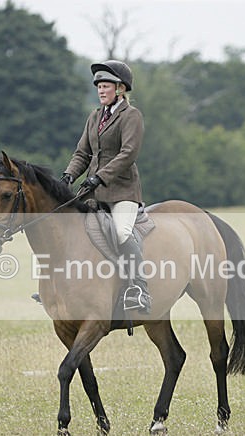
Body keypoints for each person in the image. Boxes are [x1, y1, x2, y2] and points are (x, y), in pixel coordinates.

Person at [61, 60, 151, 314]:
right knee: (71, 232)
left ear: (120, 89)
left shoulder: (131, 116)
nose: (101, 90)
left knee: (121, 233)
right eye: (99, 86)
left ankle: (139, 289)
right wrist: (69, 175)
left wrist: (100, 176)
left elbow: (128, 153)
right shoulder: (94, 117)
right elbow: (82, 152)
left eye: (106, 86)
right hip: (93, 192)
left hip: (122, 191)